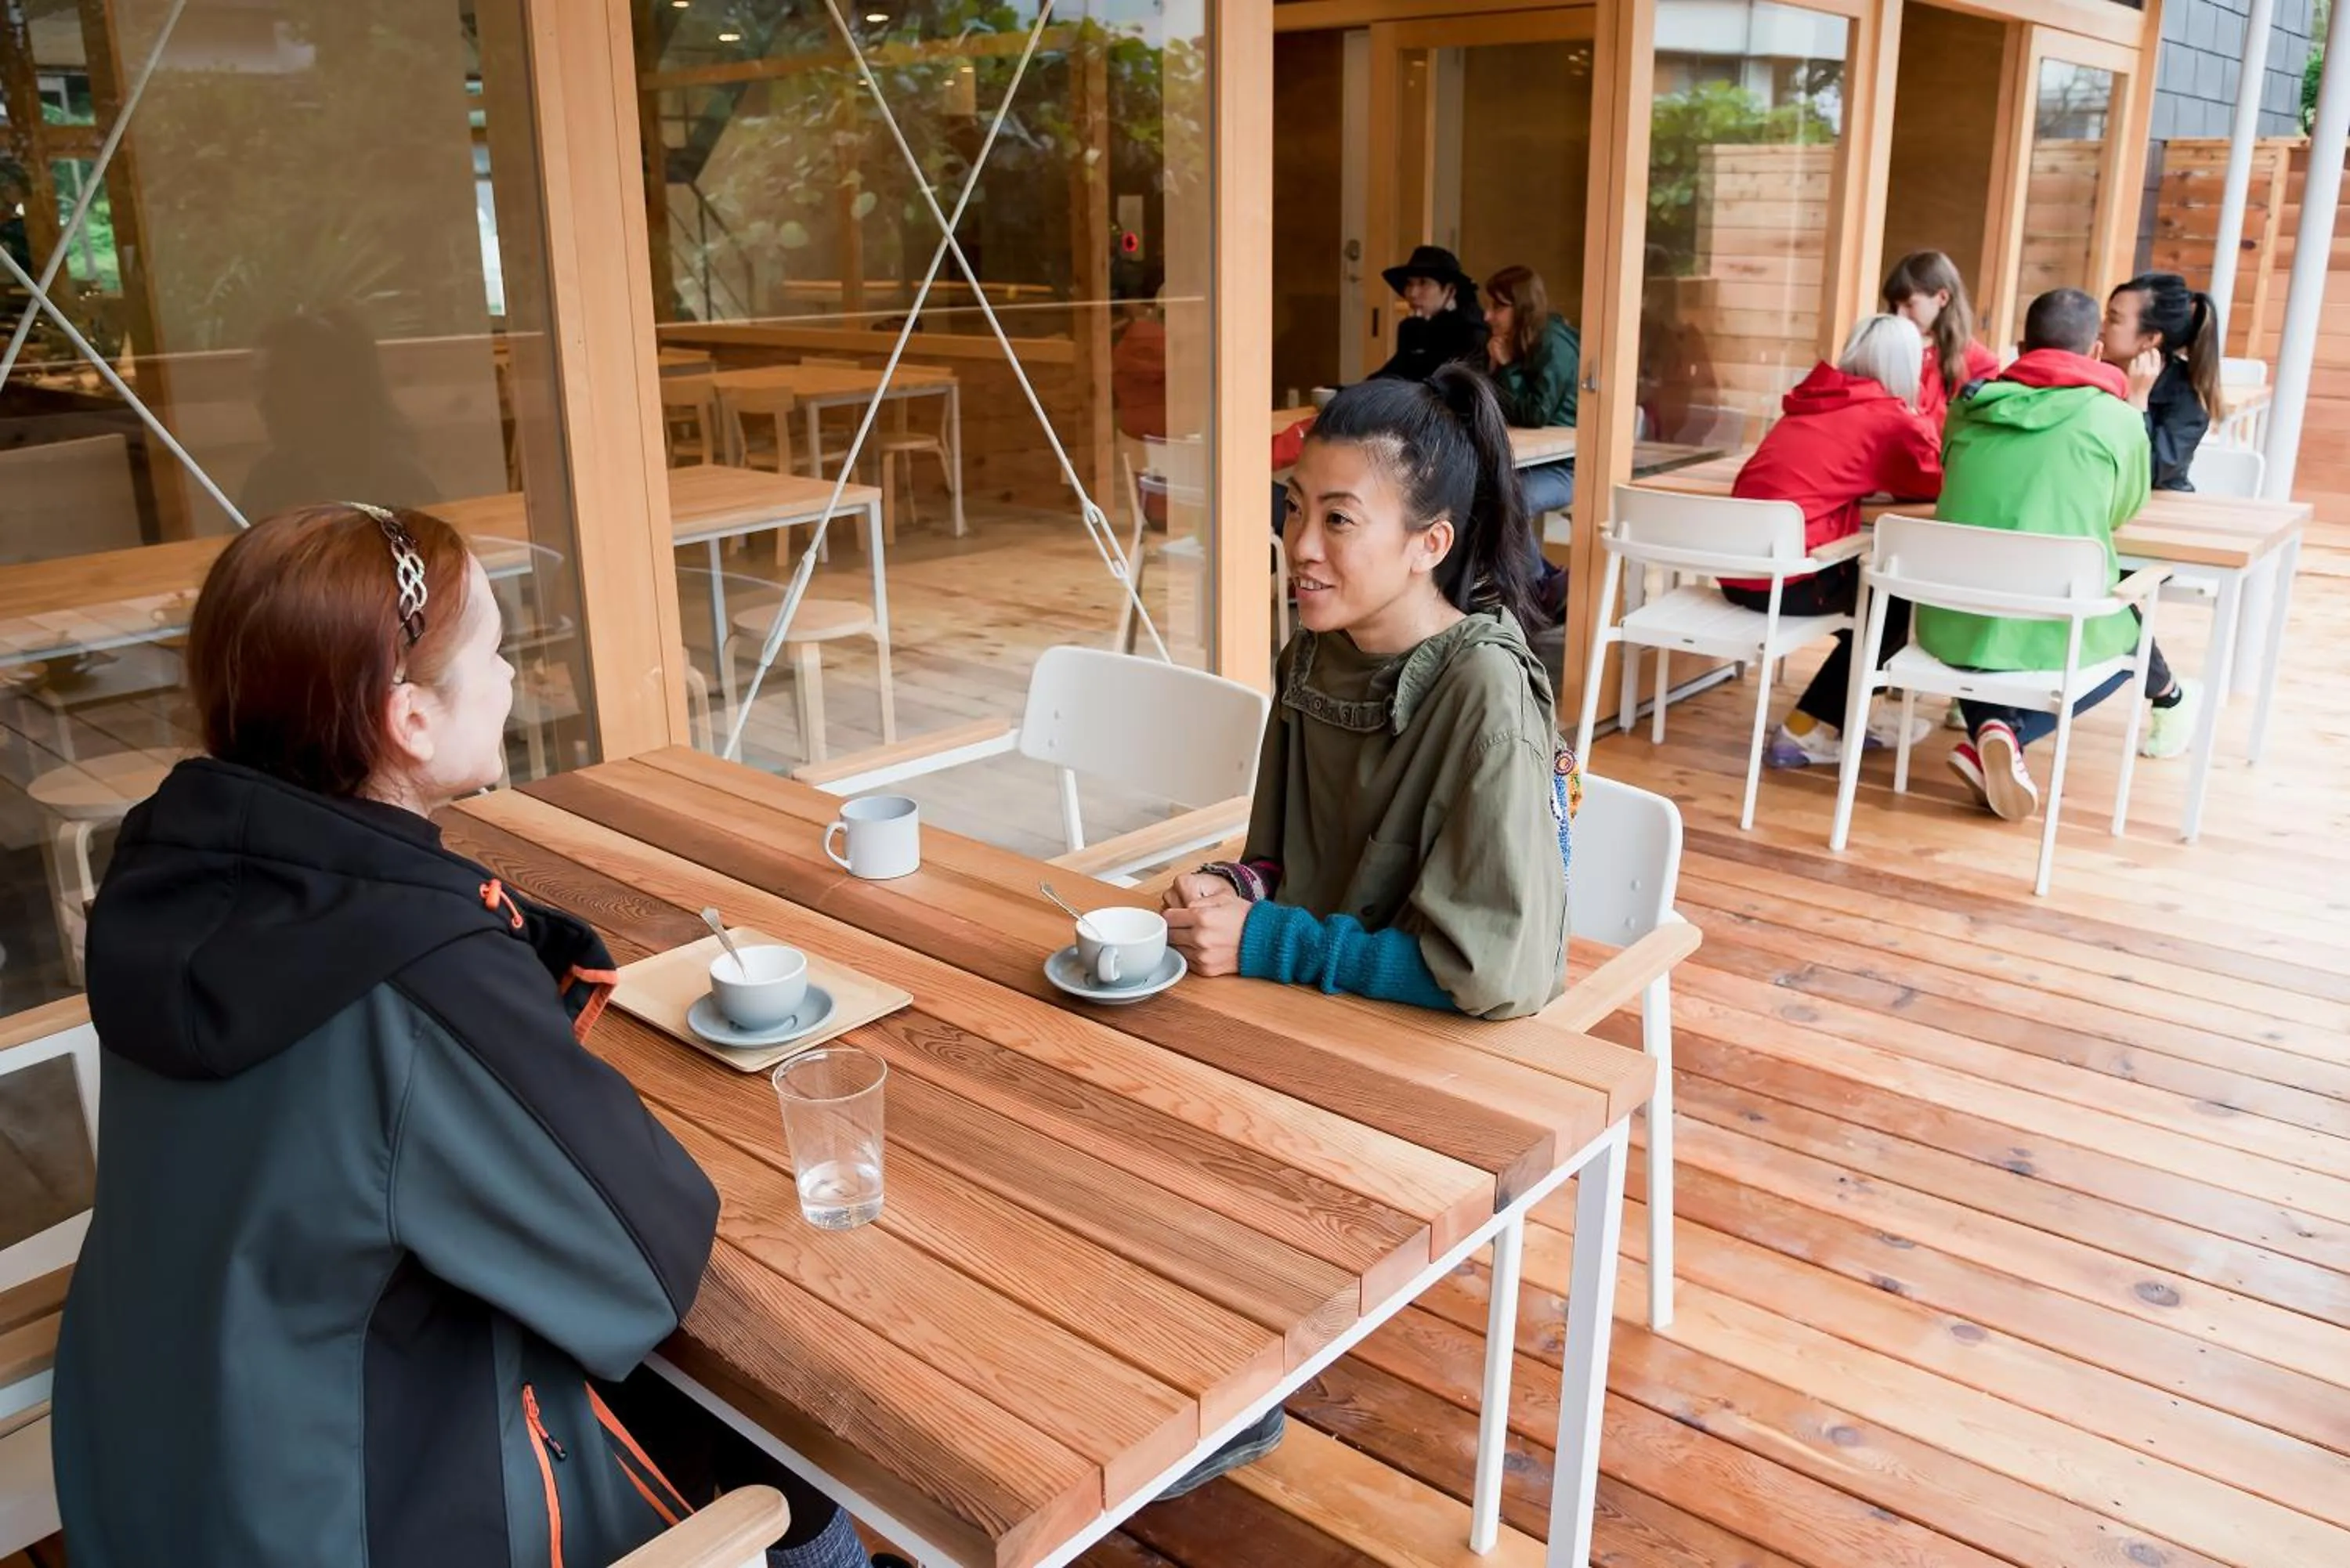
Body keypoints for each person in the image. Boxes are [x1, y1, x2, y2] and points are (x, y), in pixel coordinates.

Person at [51, 503, 880, 1568]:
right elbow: (649, 1261)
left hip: (156, 1483)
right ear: (408, 717)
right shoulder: (412, 967)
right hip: (356, 1521)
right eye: (493, 651)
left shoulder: (176, 882)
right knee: (776, 1453)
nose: (510, 676)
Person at [1164, 366, 1574, 1025]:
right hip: (1303, 1014)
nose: (1301, 545)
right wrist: (1234, 889)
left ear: (1429, 544)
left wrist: (1267, 940)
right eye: (1294, 507)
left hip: (1436, 1047)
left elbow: (1494, 975)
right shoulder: (1310, 655)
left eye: (1338, 520)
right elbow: (1285, 865)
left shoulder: (1485, 693)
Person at [1918, 289, 2199, 820]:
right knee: (2128, 646)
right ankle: (2007, 733)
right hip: (2051, 620)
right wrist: (2136, 410)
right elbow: (2120, 511)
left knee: (1989, 628)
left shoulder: (1967, 406)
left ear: (2023, 347)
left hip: (1952, 618)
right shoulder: (2116, 419)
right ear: (2095, 351)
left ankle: (1992, 729)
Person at [1721, 315, 1945, 768]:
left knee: (1870, 603)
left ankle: (1855, 712)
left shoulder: (1807, 404)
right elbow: (1932, 483)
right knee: (1893, 603)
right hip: (1785, 582)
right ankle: (1804, 731)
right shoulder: (1889, 419)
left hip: (1738, 571)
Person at [2101, 271, 2224, 492]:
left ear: (2150, 339)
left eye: (2113, 319)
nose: (2101, 327)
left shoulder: (2188, 394)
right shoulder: (2095, 372)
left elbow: (2148, 472)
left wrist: (2137, 403)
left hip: (2159, 504)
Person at [1483, 264, 1582, 516]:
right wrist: (1495, 367)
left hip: (1568, 466)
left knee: (1506, 505)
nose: (1487, 316)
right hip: (1528, 462)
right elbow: (1493, 407)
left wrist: (1508, 367)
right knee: (1473, 492)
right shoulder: (1516, 341)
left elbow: (1535, 414)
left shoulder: (1554, 344)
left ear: (1522, 308)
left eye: (1498, 307)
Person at [1882, 251, 2001, 430]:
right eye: (1895, 306)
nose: (1899, 315)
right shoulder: (1882, 349)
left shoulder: (1982, 364)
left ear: (1942, 298)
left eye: (1909, 304)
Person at [1368, 245, 1490, 384]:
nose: (1412, 294)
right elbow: (1398, 369)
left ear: (1450, 290)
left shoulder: (1471, 331)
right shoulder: (1411, 327)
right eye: (1409, 283)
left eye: (1424, 283)